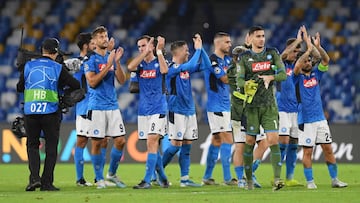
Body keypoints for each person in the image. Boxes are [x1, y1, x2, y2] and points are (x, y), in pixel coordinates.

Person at [17, 38, 80, 191]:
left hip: (31, 111)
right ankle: (46, 183)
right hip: (50, 112)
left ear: (42, 50)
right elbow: (76, 85)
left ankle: (34, 179)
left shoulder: (28, 65)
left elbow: (20, 88)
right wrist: (62, 91)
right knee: (51, 148)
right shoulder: (58, 67)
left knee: (32, 145)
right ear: (55, 52)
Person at [292, 27, 348, 189]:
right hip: (306, 121)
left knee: (328, 149)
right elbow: (296, 66)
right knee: (308, 152)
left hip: (320, 120)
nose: (308, 62)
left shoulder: (317, 75)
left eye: (310, 60)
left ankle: (335, 180)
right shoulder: (297, 77)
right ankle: (310, 182)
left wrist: (317, 47)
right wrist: (308, 49)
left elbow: (325, 60)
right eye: (305, 60)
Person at [236, 25, 287, 190]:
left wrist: (270, 76)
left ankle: (277, 179)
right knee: (250, 142)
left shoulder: (272, 53)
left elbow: (283, 74)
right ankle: (249, 180)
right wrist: (247, 84)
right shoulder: (244, 58)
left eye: (263, 36)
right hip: (251, 107)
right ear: (250, 38)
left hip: (269, 106)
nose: (261, 39)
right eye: (258, 36)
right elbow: (239, 81)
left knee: (273, 140)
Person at [84, 26, 127, 189]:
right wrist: (108, 65)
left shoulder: (111, 57)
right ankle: (99, 178)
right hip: (97, 106)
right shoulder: (90, 59)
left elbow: (122, 81)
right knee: (97, 143)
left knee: (121, 141)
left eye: (106, 36)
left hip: (112, 106)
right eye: (101, 37)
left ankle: (112, 174)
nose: (104, 39)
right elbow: (92, 82)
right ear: (94, 41)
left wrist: (116, 62)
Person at [161, 34, 204, 187]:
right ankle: (157, 172)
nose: (188, 53)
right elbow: (192, 65)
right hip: (176, 110)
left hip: (189, 111)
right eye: (186, 50)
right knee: (175, 145)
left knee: (187, 145)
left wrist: (202, 48)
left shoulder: (185, 69)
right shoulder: (172, 69)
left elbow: (204, 65)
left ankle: (185, 179)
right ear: (177, 52)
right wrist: (198, 50)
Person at [128, 35, 169, 189]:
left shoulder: (159, 62)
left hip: (158, 107)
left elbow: (165, 70)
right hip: (143, 110)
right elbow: (130, 67)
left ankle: (146, 180)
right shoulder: (139, 65)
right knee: (151, 145)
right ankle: (163, 178)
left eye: (144, 45)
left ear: (151, 46)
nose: (141, 48)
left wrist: (158, 51)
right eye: (139, 47)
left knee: (152, 141)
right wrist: (143, 54)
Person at [229, 43, 268, 189]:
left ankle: (241, 179)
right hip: (247, 112)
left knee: (240, 146)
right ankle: (247, 174)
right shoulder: (240, 72)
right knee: (262, 143)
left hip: (237, 113)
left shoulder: (232, 71)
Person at [202, 32, 237, 186]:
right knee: (228, 139)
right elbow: (224, 78)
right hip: (216, 106)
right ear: (218, 43)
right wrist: (240, 76)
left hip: (224, 105)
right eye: (227, 42)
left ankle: (207, 177)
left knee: (217, 140)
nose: (230, 44)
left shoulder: (227, 60)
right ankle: (228, 178)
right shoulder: (212, 60)